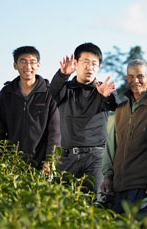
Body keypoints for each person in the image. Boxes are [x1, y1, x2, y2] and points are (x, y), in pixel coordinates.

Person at [49, 42, 118, 201]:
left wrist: (107, 97)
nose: (90, 67)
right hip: (66, 157)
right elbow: (51, 95)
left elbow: (115, 105)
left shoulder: (102, 90)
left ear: (99, 67)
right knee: (61, 204)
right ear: (76, 64)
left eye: (94, 64)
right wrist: (62, 74)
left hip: (96, 158)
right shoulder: (65, 89)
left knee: (97, 202)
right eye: (85, 62)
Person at [101, 59, 147, 215]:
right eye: (131, 76)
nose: (135, 81)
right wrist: (107, 176)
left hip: (142, 185)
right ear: (126, 79)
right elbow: (111, 145)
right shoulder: (121, 109)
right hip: (119, 185)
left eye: (140, 76)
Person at [0, 46, 61, 170]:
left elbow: (54, 132)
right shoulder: (6, 93)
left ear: (38, 65)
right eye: (23, 62)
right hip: (12, 164)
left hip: (41, 164)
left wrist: (50, 161)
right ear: (15, 65)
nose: (28, 67)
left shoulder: (49, 93)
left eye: (32, 62)